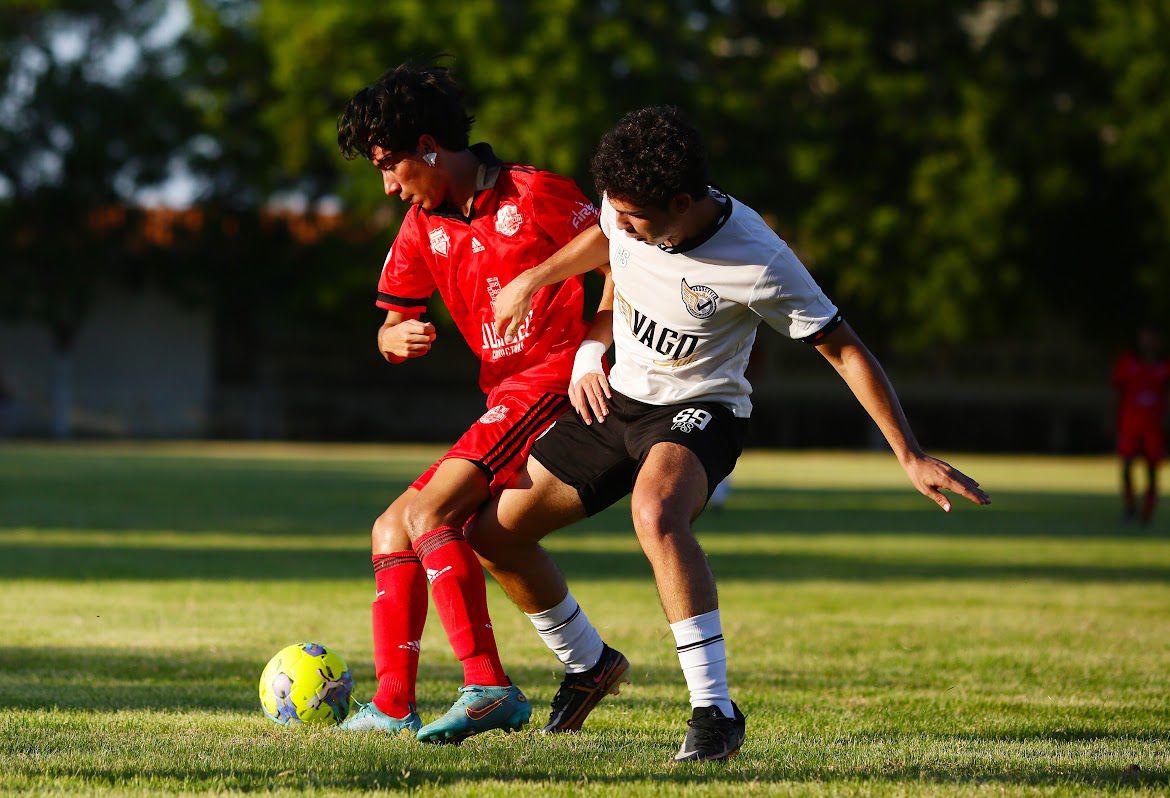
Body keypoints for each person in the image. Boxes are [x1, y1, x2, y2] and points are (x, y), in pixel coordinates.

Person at [470, 106, 992, 762]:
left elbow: (845, 349)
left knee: (656, 513)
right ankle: (589, 664)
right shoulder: (624, 208)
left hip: (701, 410)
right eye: (616, 210)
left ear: (681, 204)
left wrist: (909, 453)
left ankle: (714, 712)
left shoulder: (760, 258)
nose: (620, 224)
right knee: (493, 533)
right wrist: (538, 281)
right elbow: (608, 239)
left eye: (635, 218)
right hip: (620, 399)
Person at [334, 63, 613, 743]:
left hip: (549, 386)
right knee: (389, 530)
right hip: (501, 398)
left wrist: (587, 343)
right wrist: (393, 336)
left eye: (389, 165)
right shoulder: (420, 224)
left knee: (430, 513)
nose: (388, 184)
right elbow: (390, 319)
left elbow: (616, 246)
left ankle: (489, 685)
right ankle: (395, 706)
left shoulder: (534, 192)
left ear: (429, 146)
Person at [1112, 328, 1170, 524]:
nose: (1148, 344)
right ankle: (1129, 508)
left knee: (1152, 469)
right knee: (1127, 466)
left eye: (1151, 339)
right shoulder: (1128, 363)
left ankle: (1148, 511)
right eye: (1144, 339)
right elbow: (1117, 392)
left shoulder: (1164, 367)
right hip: (1130, 425)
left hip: (1153, 427)